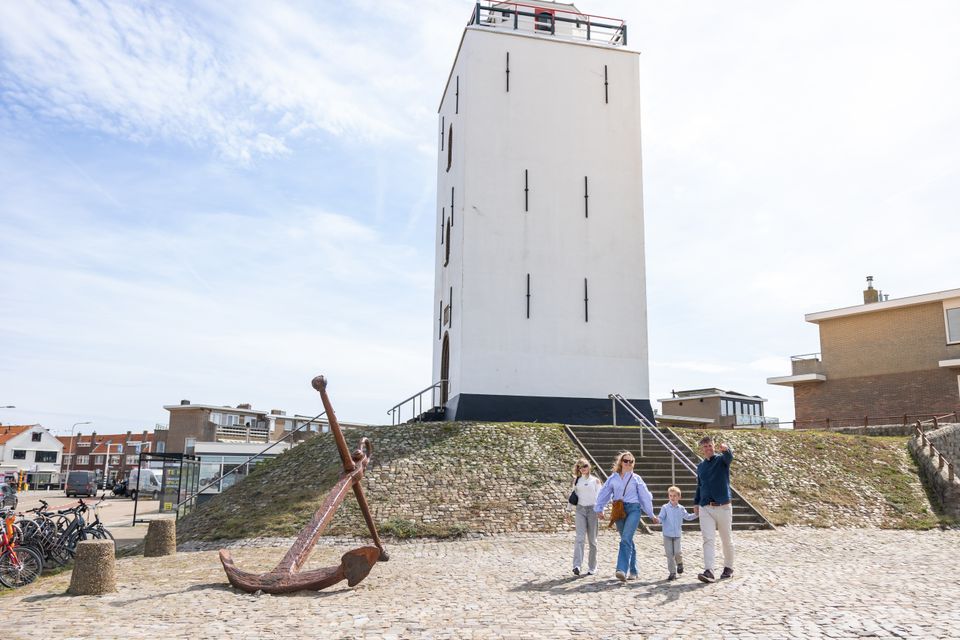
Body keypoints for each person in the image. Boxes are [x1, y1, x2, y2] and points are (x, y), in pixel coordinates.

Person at [594, 451, 659, 581]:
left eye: (631, 461)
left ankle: (621, 570)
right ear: (621, 462)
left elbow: (645, 497)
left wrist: (651, 514)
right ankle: (633, 570)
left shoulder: (636, 479)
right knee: (627, 540)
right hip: (619, 510)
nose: (628, 463)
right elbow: (604, 492)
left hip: (634, 509)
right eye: (626, 461)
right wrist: (599, 508)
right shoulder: (613, 478)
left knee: (625, 539)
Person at [693, 436, 735, 583]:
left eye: (710, 445)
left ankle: (728, 567)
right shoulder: (700, 467)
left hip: (723, 506)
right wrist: (696, 502)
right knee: (708, 539)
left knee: (726, 539)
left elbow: (729, 458)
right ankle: (709, 571)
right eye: (705, 446)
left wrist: (726, 450)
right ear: (702, 449)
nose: (708, 449)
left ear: (714, 446)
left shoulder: (721, 460)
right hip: (706, 507)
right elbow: (700, 486)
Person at [657, 485, 697, 581]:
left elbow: (688, 516)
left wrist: (697, 514)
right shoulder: (665, 507)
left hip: (677, 535)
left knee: (677, 552)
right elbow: (661, 517)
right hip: (667, 534)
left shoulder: (681, 508)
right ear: (668, 496)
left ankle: (679, 563)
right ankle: (672, 572)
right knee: (669, 554)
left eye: (675, 496)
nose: (672, 497)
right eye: (670, 495)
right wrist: (657, 520)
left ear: (679, 497)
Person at [570, 458, 601, 576]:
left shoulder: (595, 481)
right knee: (580, 538)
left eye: (585, 466)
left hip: (593, 510)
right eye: (580, 467)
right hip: (580, 510)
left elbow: (599, 497)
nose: (583, 468)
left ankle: (592, 566)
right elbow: (572, 496)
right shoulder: (577, 481)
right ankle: (577, 565)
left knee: (592, 541)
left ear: (589, 467)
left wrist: (601, 510)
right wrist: (568, 510)